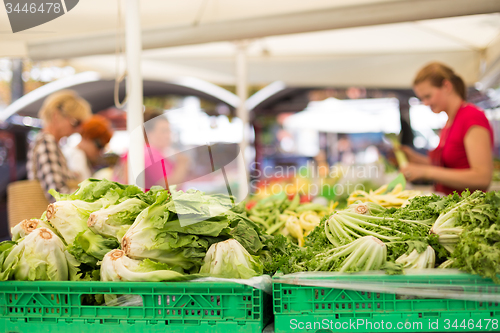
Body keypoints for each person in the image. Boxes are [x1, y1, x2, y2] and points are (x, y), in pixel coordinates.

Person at [400, 62, 494, 195]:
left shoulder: (472, 117)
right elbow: (448, 166)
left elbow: (482, 177)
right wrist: (415, 158)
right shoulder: (449, 122)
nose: (425, 103)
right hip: (450, 205)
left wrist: (426, 172)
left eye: (428, 96)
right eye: (422, 98)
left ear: (446, 86)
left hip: (466, 210)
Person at [27, 90, 92, 201]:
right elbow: (57, 194)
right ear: (56, 115)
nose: (78, 129)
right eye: (75, 122)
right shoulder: (47, 142)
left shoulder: (48, 143)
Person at [115, 107, 189, 190]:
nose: (168, 136)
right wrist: (182, 164)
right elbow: (169, 186)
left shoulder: (137, 150)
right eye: (164, 131)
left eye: (169, 131)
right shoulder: (151, 154)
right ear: (149, 132)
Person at [64, 115, 113, 181]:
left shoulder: (75, 153)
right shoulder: (77, 156)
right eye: (99, 146)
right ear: (87, 137)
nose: (99, 152)